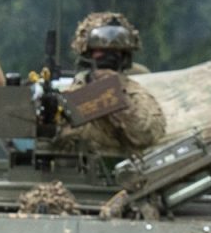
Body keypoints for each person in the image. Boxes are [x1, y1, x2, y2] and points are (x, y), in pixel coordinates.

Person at [56, 12, 165, 159]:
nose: (108, 55)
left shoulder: (136, 94)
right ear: (88, 52)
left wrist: (117, 98)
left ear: (124, 54)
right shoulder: (70, 95)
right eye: (100, 49)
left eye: (114, 50)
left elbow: (146, 134)